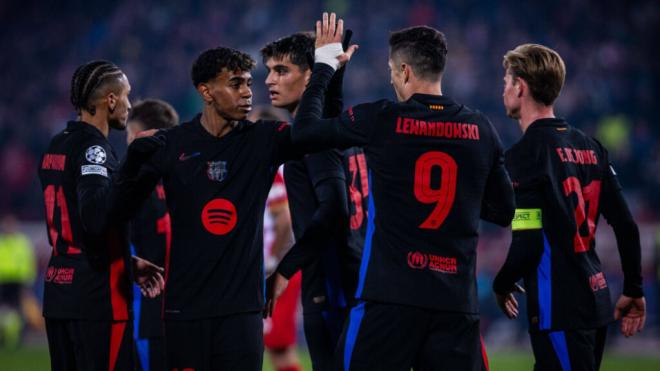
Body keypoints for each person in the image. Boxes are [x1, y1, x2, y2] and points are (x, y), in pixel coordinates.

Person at [276, 13, 515, 371]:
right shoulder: (481, 128)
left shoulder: (383, 119)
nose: (390, 78)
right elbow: (503, 211)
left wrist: (325, 65)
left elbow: (305, 132)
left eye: (391, 70)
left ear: (404, 71)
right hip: (454, 301)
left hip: (388, 299)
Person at [117, 47, 305, 371]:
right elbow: (116, 210)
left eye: (248, 83)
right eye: (236, 83)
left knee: (281, 351)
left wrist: (326, 69)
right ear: (205, 91)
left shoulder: (263, 139)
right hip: (184, 311)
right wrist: (125, 257)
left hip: (242, 311)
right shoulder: (171, 145)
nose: (248, 92)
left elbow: (318, 134)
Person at [492, 43, 646, 371]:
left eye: (506, 80)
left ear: (520, 87)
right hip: (597, 301)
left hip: (558, 307)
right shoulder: (592, 148)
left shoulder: (523, 157)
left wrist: (501, 283)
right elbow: (626, 225)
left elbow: (528, 242)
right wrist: (633, 288)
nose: (503, 88)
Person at [37, 60, 165, 371]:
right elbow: (94, 218)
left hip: (59, 294)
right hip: (97, 298)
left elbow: (76, 225)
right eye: (126, 96)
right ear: (110, 100)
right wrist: (136, 167)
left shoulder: (58, 144)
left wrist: (127, 260)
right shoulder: (94, 149)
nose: (129, 105)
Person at [261, 32, 366, 371]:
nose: (269, 80)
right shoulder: (340, 128)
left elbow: (334, 209)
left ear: (309, 75)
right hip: (355, 282)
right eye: (270, 71)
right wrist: (333, 71)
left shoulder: (311, 141)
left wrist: (285, 269)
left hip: (331, 287)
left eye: (281, 70)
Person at [126, 99, 179, 371]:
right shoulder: (184, 178)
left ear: (139, 136)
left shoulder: (132, 185)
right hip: (186, 308)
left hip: (146, 310)